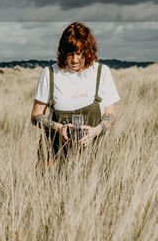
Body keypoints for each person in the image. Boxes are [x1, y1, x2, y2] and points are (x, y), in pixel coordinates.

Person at [31, 21, 120, 164]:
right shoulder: (50, 73)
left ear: (89, 51)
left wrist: (95, 131)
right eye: (70, 54)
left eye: (80, 54)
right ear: (63, 52)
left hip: (94, 158)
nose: (75, 60)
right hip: (54, 157)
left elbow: (111, 116)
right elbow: (36, 116)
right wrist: (60, 128)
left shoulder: (101, 72)